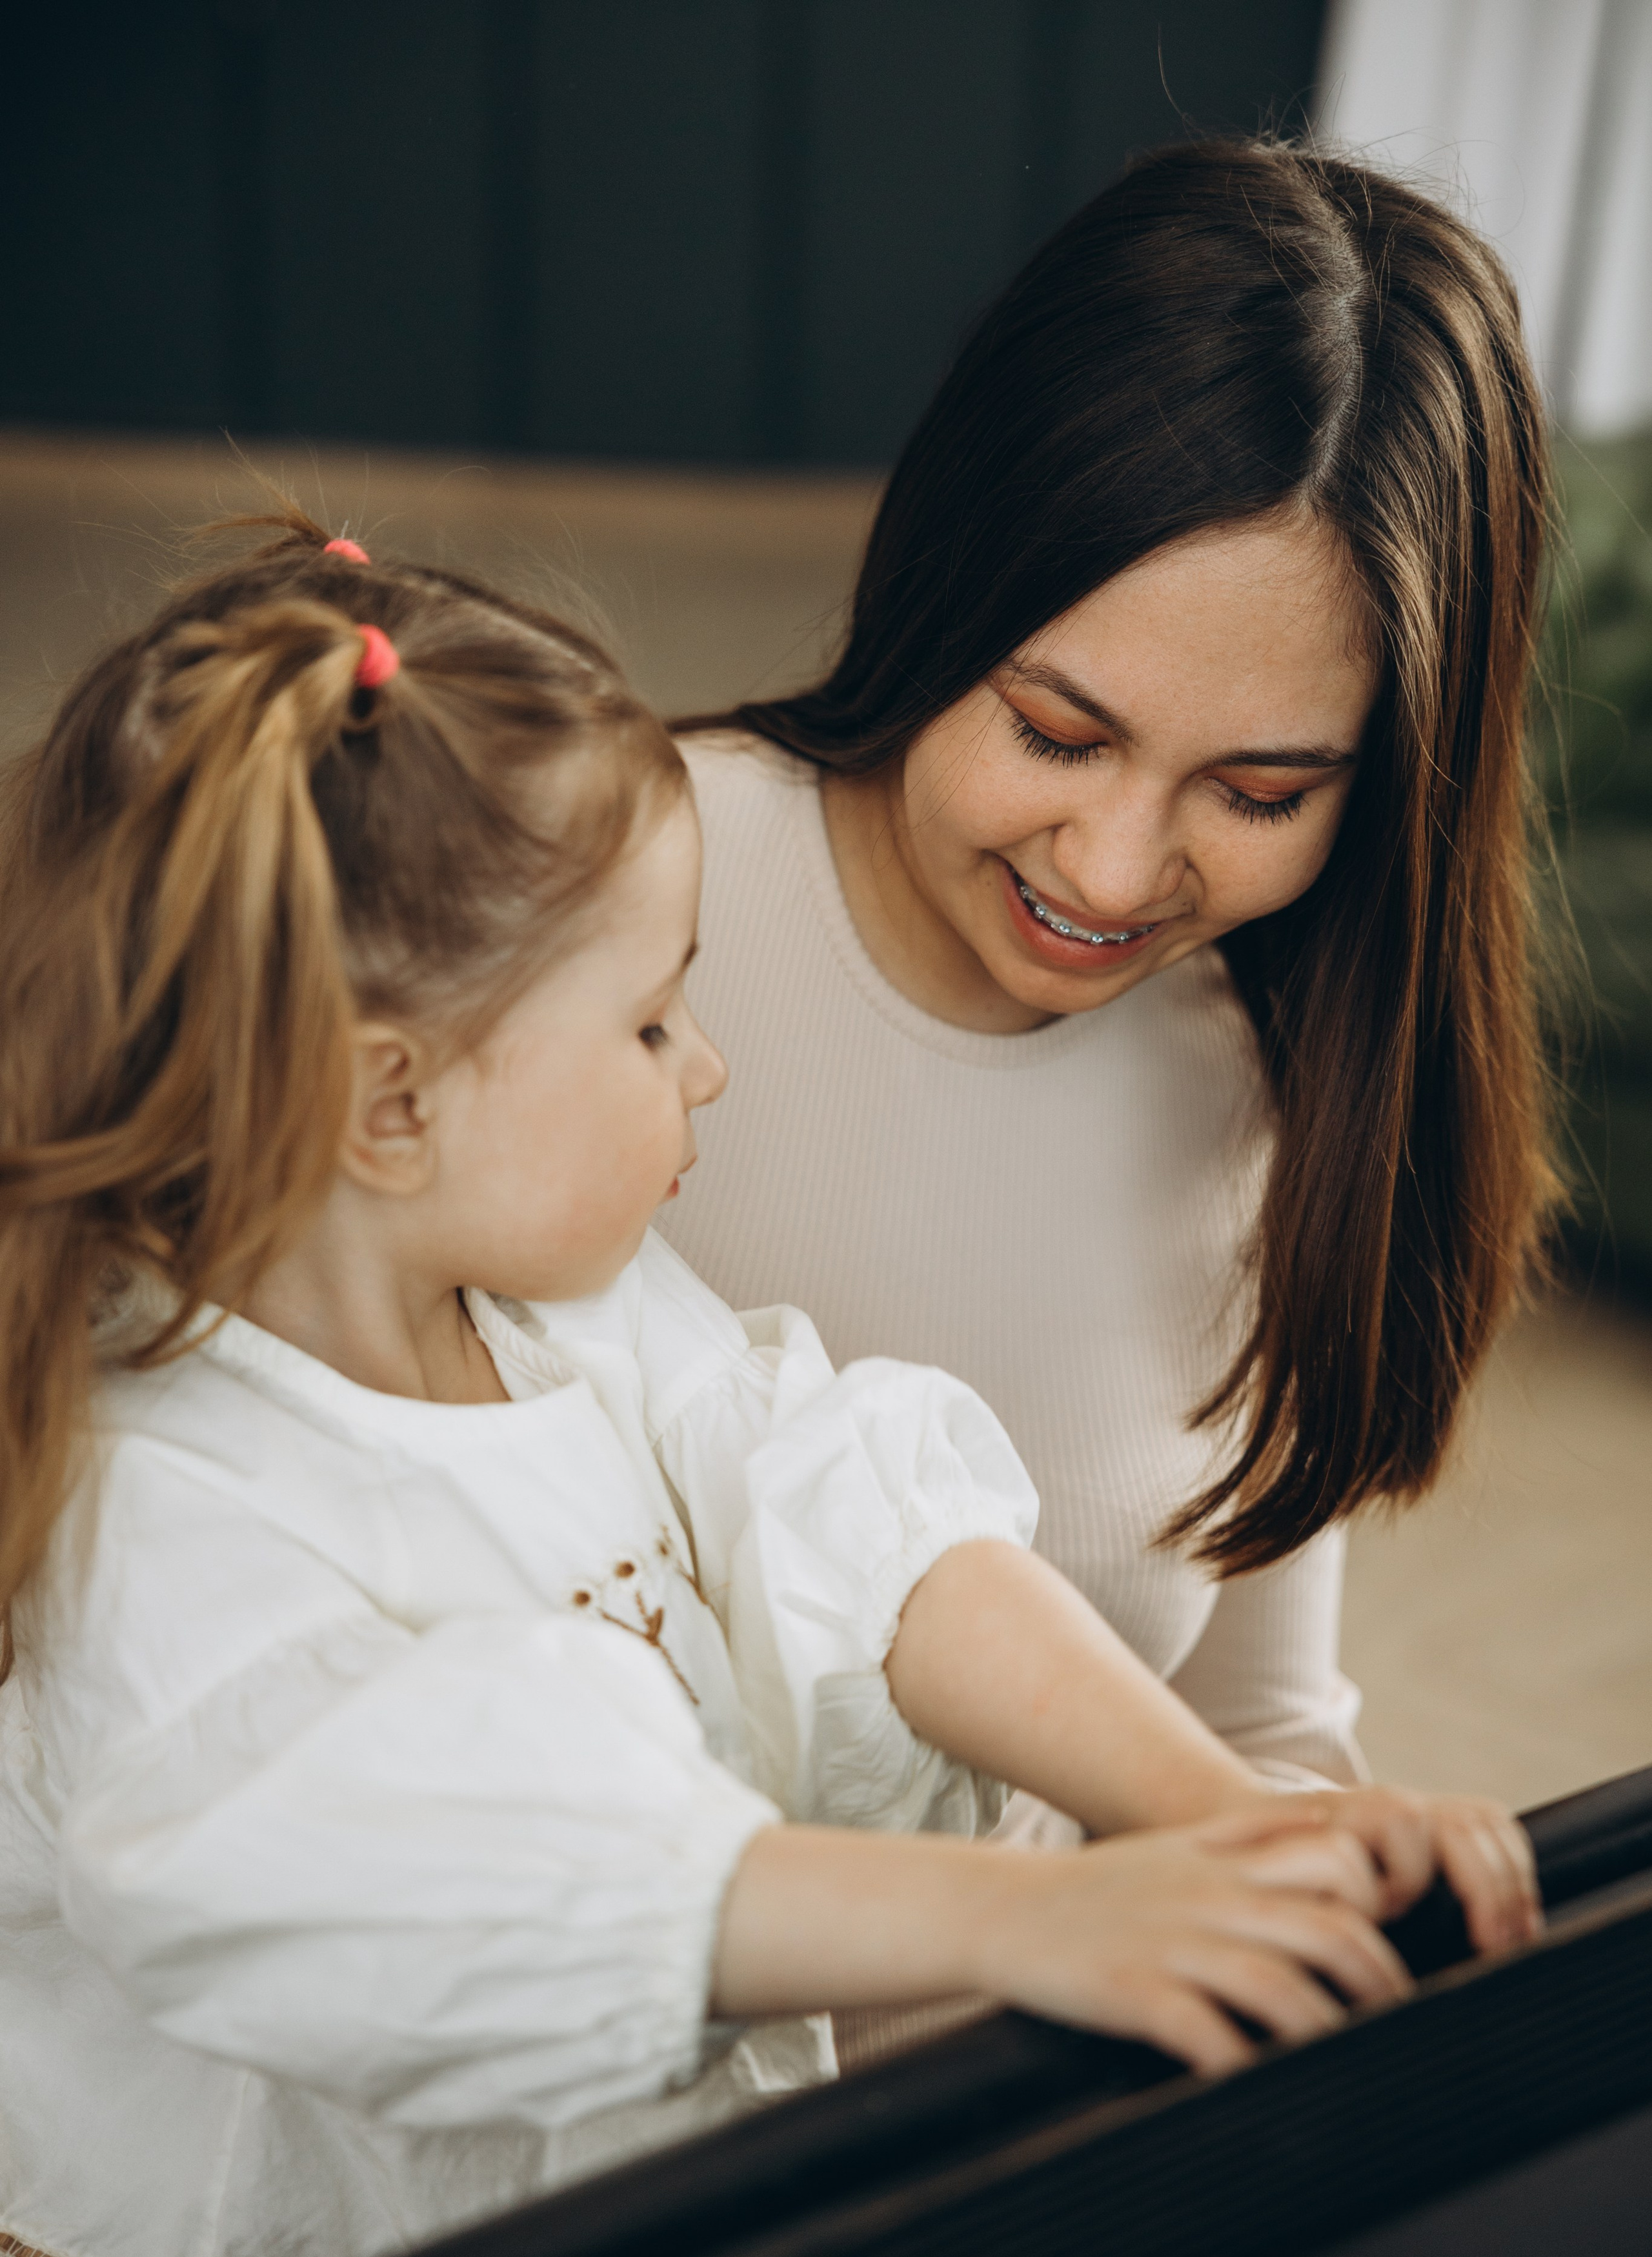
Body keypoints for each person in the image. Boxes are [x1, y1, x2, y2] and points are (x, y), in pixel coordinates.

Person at [0, 516, 1533, 2257]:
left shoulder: (571, 1308)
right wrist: (1035, 1920)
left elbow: (846, 1511)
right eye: (650, 1022)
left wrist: (1217, 1814)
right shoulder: (156, 1500)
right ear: (391, 1103)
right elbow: (452, 1867)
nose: (708, 1069)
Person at [663, 137, 1559, 1851]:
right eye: (1059, 734)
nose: (1116, 867)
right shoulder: (594, 901)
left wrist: (1341, 1865)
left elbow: (1252, 1734)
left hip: (1023, 2106)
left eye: (1262, 793)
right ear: (946, 582)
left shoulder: (1290, 1088)